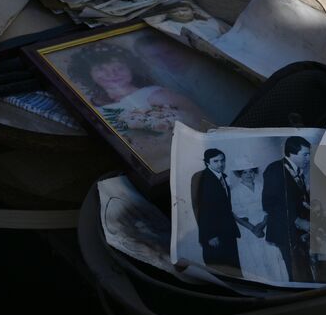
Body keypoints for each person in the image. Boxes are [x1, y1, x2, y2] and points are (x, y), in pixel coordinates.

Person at [65, 42, 210, 170]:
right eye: (101, 69)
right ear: (88, 74)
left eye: (119, 67)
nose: (112, 74)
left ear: (131, 70)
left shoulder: (155, 94)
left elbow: (203, 120)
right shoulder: (91, 105)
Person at [228, 157, 289, 283]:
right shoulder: (235, 191)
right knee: (255, 258)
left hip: (266, 225)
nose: (249, 175)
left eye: (251, 171)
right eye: (245, 172)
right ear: (240, 174)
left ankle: (278, 283)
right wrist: (254, 229)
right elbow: (236, 214)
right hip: (248, 230)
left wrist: (262, 225)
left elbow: (271, 207)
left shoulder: (262, 186)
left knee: (271, 256)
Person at [263, 136, 314, 282]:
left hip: (299, 232)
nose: (309, 158)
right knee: (297, 273)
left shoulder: (297, 170)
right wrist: (297, 220)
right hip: (285, 232)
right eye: (305, 154)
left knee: (304, 270)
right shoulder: (275, 169)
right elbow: (269, 204)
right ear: (291, 154)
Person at [191, 149, 240, 269]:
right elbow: (200, 208)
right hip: (213, 235)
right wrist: (210, 235)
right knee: (218, 267)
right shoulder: (200, 178)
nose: (220, 164)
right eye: (216, 161)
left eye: (222, 160)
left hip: (228, 231)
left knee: (233, 267)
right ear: (207, 163)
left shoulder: (224, 176)